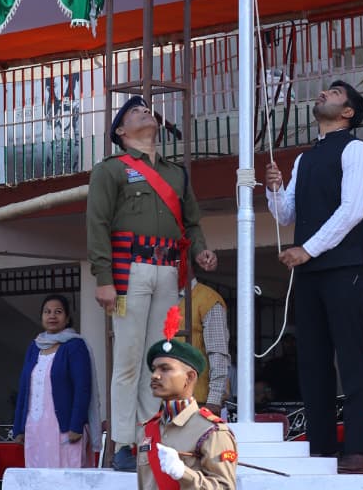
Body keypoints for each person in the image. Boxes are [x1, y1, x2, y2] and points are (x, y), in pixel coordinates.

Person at [87, 95, 217, 470]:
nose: (146, 112)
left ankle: (149, 440)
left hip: (167, 272)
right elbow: (97, 224)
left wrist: (201, 252)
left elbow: (191, 221)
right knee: (128, 360)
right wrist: (103, 278)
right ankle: (124, 443)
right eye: (135, 112)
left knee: (160, 360)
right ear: (121, 131)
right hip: (130, 271)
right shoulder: (110, 170)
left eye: (148, 110)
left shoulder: (176, 173)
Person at [265, 80, 363, 474]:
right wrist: (273, 190)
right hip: (311, 269)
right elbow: (284, 215)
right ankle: (321, 447)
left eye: (333, 92)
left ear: (348, 112)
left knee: (349, 356)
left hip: (344, 266)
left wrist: (307, 249)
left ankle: (358, 448)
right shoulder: (304, 159)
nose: (323, 94)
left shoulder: (358, 149)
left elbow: (352, 212)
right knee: (311, 360)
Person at [137, 317, 237, 490]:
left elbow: (225, 487)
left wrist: (184, 473)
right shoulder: (147, 431)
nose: (155, 375)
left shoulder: (211, 431)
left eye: (165, 369)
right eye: (154, 369)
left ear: (189, 377)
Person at [11, 294, 100, 468]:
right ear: (42, 317)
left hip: (64, 427)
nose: (52, 316)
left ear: (67, 318)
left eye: (58, 312)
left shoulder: (75, 346)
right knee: (37, 478)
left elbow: (82, 388)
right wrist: (19, 428)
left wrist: (76, 425)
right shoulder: (34, 346)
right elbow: (24, 389)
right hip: (34, 427)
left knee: (65, 477)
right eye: (47, 312)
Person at [189, 281, 231, 413]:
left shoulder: (208, 299)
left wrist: (213, 400)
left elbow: (218, 352)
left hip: (199, 403)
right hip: (165, 402)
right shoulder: (162, 298)